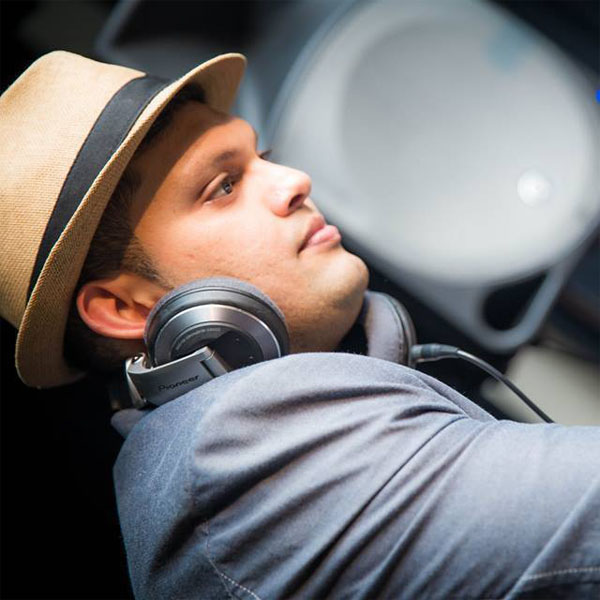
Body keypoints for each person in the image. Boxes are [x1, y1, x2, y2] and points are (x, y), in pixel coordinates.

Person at [0, 51, 598, 600]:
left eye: (261, 158)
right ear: (124, 308)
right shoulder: (237, 449)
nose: (294, 181)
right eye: (223, 186)